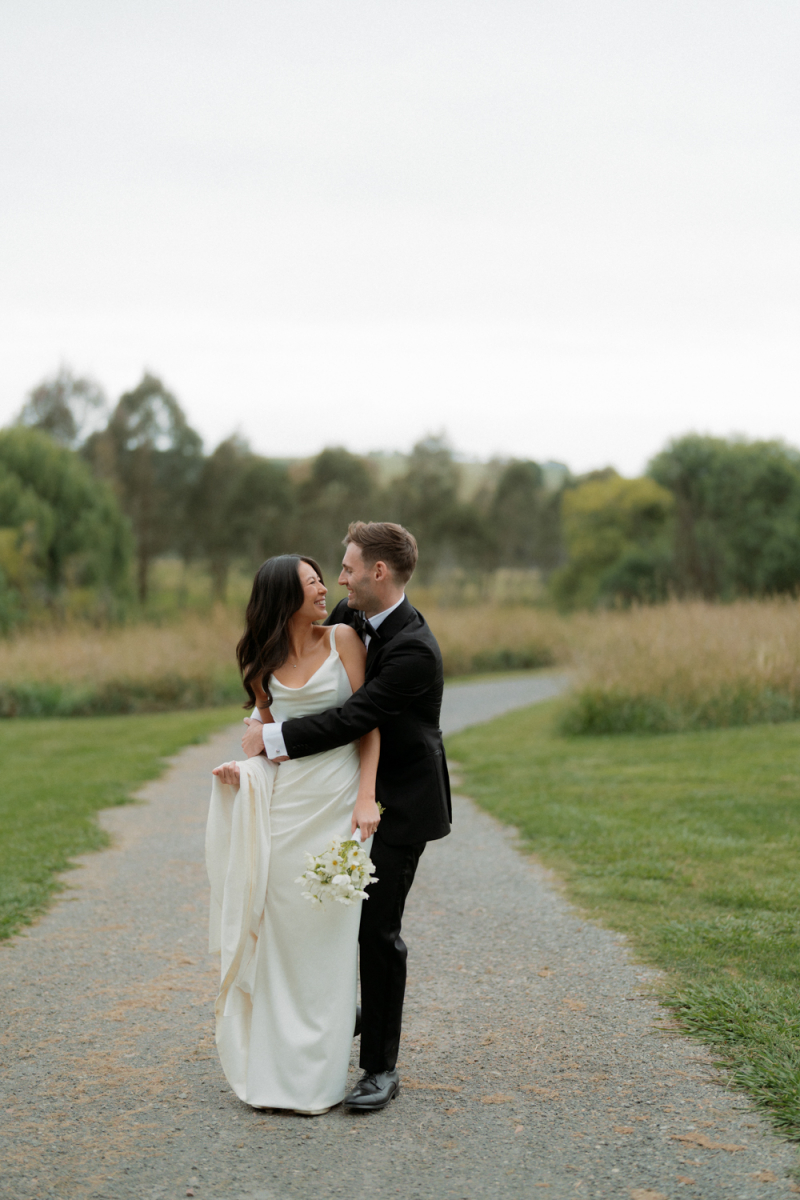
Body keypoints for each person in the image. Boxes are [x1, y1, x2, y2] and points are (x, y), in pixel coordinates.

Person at [242, 521, 451, 1113]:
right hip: (338, 796)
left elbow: (353, 717)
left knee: (376, 930)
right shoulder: (350, 615)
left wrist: (272, 738)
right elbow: (299, 661)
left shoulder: (414, 649)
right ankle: (347, 1011)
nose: (339, 579)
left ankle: (381, 1068)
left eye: (348, 567)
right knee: (329, 914)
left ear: (376, 572)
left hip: (402, 804)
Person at [207, 554, 381, 1115]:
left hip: (338, 803)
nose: (325, 589)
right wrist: (246, 771)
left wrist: (364, 798)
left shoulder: (344, 641)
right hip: (287, 810)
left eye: (323, 580)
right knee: (283, 935)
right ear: (285, 596)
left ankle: (319, 1078)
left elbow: (368, 724)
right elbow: (265, 742)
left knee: (328, 934)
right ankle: (276, 1073)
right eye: (312, 584)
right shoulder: (260, 664)